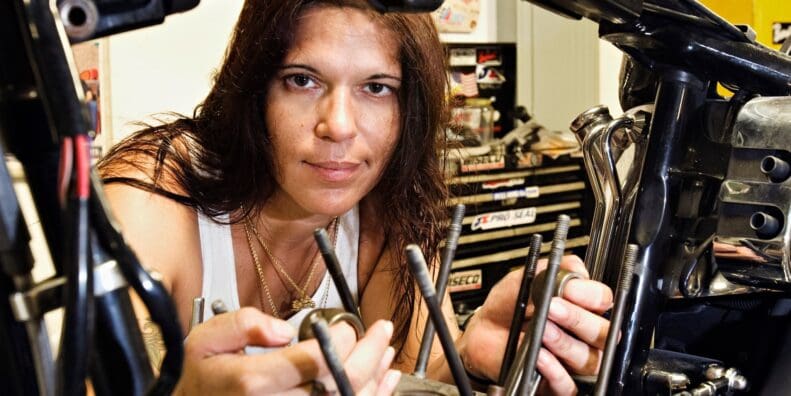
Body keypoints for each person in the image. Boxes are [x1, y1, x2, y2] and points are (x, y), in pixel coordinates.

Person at [98, 0, 613, 394]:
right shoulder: (156, 197)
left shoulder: (385, 209)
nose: (338, 126)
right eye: (302, 80)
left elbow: (414, 371)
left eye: (376, 88)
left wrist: (469, 352)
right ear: (256, 92)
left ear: (407, 110)